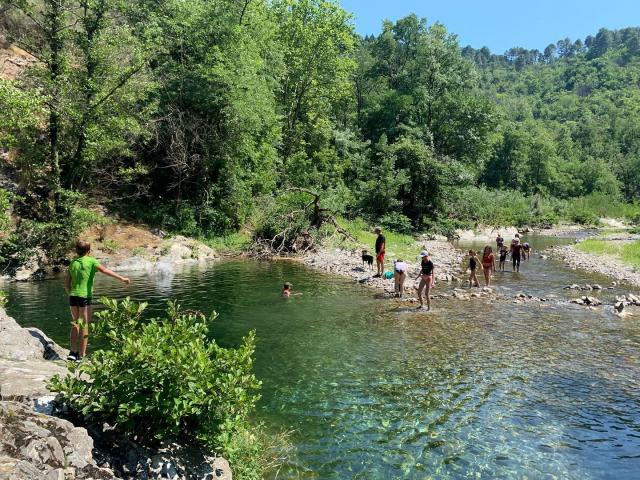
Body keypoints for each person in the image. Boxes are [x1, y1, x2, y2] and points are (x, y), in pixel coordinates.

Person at [65, 240, 130, 361]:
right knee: (84, 325)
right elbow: (105, 271)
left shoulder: (73, 263)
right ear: (88, 251)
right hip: (85, 297)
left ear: (76, 250)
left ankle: (72, 352)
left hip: (73, 296)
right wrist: (122, 278)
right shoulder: (91, 261)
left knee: (75, 323)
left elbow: (67, 282)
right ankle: (82, 355)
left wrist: (71, 293)